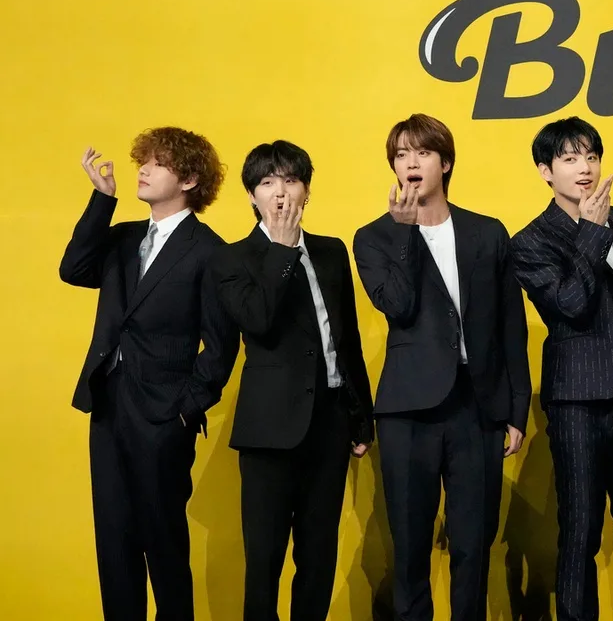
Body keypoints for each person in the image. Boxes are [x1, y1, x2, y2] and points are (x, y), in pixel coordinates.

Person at [353, 114, 531, 621]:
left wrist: (516, 407)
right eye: (401, 155)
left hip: (477, 405)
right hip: (408, 409)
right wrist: (406, 233)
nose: (411, 163)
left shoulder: (487, 233)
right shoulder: (374, 237)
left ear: (445, 163)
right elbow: (398, 305)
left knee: (474, 543)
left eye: (423, 152)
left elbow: (510, 325)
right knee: (410, 545)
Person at [59, 128, 238, 621]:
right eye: (144, 159)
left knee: (163, 544)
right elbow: (73, 269)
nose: (143, 168)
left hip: (164, 416)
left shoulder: (210, 251)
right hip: (108, 404)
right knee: (114, 543)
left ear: (189, 179)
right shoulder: (123, 237)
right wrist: (102, 199)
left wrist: (185, 410)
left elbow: (221, 346)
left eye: (158, 163)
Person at [509, 116, 613, 621]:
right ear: (545, 171)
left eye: (591, 157)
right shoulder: (530, 241)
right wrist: (592, 235)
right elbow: (570, 305)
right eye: (570, 158)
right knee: (580, 533)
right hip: (576, 401)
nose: (584, 168)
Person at [210, 140, 375, 621]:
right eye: (267, 182)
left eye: (290, 180)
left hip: (329, 422)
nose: (280, 192)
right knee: (264, 561)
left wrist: (360, 417)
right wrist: (281, 251)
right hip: (269, 430)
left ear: (307, 190)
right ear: (251, 196)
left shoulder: (330, 251)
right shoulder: (232, 258)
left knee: (318, 557)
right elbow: (258, 321)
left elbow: (346, 339)